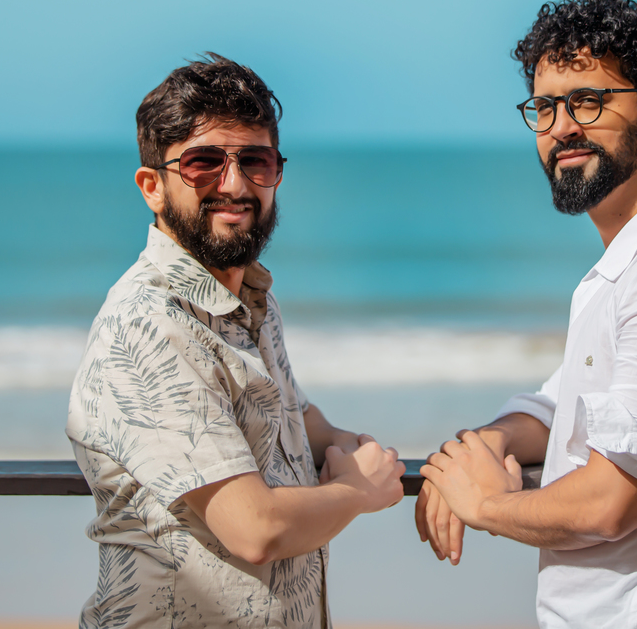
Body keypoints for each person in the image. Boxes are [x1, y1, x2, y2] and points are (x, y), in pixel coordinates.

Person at [416, 0, 637, 629]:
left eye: (588, 101)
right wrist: (482, 446)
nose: (560, 128)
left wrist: (486, 503)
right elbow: (562, 409)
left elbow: (611, 501)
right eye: (545, 107)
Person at [67, 53, 405, 628]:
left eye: (256, 160)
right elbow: (255, 528)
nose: (235, 184)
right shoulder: (150, 323)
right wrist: (358, 490)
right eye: (203, 163)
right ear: (152, 186)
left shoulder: (251, 299)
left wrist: (350, 442)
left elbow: (282, 413)